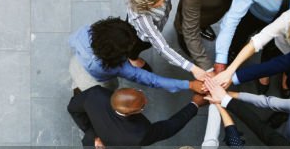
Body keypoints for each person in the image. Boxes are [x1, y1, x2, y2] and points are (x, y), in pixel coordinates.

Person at [67, 86, 207, 149]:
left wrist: (93, 134)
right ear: (132, 112)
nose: (145, 101)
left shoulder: (95, 94)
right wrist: (194, 104)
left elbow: (73, 107)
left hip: (95, 144)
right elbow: (169, 127)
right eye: (142, 106)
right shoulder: (139, 133)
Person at [69, 18, 206, 94]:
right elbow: (151, 79)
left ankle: (76, 87)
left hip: (76, 65)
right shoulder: (119, 69)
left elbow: (71, 41)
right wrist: (189, 84)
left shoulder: (85, 32)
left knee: (78, 82)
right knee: (109, 89)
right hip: (97, 82)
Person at [124, 0, 211, 81]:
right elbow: (163, 48)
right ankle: (133, 59)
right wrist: (192, 68)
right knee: (136, 46)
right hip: (139, 37)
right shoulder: (143, 18)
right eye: (160, 0)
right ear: (148, 5)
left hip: (157, 23)